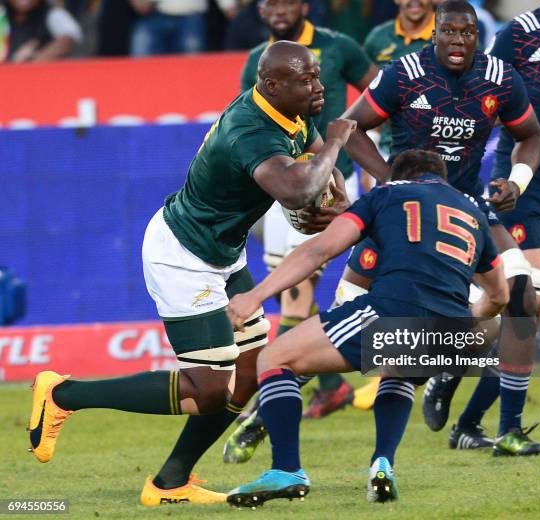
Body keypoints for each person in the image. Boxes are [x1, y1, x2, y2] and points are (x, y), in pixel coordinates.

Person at [27, 41, 356, 506]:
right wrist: (336, 149)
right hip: (183, 256)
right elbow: (298, 186)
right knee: (207, 391)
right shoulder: (251, 130)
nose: (319, 87)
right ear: (272, 85)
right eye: (307, 81)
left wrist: (333, 195)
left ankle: (170, 483)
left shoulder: (288, 109)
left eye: (317, 76)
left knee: (250, 371)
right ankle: (64, 393)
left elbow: (314, 166)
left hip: (224, 251)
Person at [224, 149, 509, 507]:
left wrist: (257, 295)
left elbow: (319, 250)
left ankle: (286, 470)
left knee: (274, 358)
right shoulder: (472, 212)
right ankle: (382, 464)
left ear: (396, 175)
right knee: (397, 371)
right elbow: (499, 295)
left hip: (391, 310)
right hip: (449, 329)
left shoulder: (386, 194)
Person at [338, 0, 540, 456]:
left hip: (466, 205)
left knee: (522, 295)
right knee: (349, 303)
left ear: (479, 35)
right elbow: (348, 126)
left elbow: (532, 135)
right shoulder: (403, 72)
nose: (458, 41)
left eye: (467, 33)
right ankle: (271, 403)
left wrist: (517, 181)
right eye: (449, 32)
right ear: (434, 34)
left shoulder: (499, 78)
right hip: (405, 209)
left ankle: (500, 421)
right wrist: (388, 178)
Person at [422, 0, 540, 452]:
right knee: (528, 298)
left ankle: (464, 413)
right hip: (521, 182)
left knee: (529, 316)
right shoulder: (519, 32)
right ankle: (509, 430)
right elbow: (479, 93)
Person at [223, 0, 378, 463]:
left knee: (299, 295)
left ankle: (266, 405)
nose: (276, 9)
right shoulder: (258, 59)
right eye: (267, 2)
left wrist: (355, 175)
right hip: (282, 183)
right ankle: (325, 387)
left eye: (286, 1)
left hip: (326, 177)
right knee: (300, 294)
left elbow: (374, 100)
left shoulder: (339, 46)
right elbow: (252, 119)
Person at [342, 0, 437, 410]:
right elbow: (365, 112)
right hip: (396, 177)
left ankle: (419, 372)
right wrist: (380, 173)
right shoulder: (379, 40)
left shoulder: (458, 36)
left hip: (446, 189)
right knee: (350, 293)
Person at [4, 0, 82, 63]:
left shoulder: (51, 13)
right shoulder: (2, 14)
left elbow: (69, 39)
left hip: (39, 76)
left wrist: (36, 60)